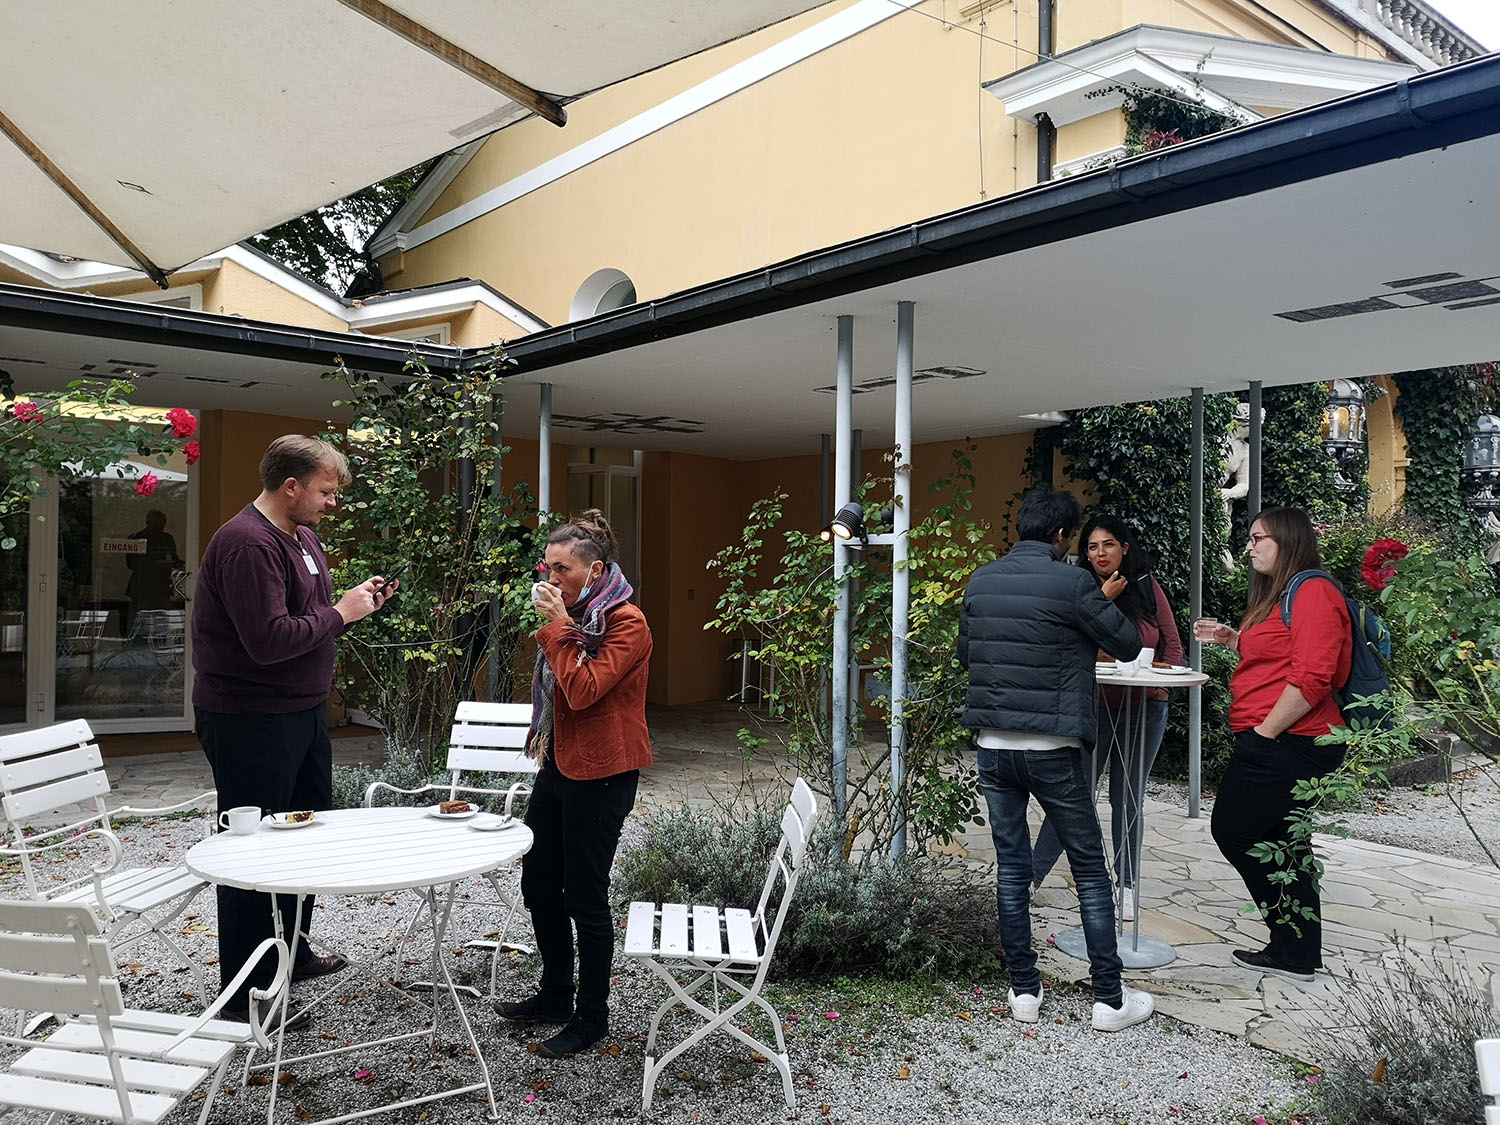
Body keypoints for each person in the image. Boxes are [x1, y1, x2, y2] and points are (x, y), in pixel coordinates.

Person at [192, 435, 397, 1027]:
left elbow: (310, 620)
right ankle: (245, 996)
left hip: (301, 714)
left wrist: (354, 605)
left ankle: (292, 954)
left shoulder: (302, 538)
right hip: (250, 718)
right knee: (253, 853)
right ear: (291, 487)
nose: (333, 502)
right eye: (326, 491)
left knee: (302, 841)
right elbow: (267, 641)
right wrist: (341, 613)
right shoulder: (247, 543)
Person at [959, 487, 1156, 1033]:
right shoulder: (1073, 583)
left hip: (994, 746)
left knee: (1012, 870)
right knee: (1090, 870)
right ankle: (1109, 999)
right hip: (1053, 747)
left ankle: (1024, 990)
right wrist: (1096, 607)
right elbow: (1126, 644)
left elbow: (967, 652)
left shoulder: (982, 579)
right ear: (1063, 535)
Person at [496, 509, 652, 1058]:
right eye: (548, 567)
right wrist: (563, 624)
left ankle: (592, 1018)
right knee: (539, 883)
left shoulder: (626, 622)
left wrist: (559, 626)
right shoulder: (575, 618)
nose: (551, 577)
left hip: (604, 773)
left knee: (585, 895)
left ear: (595, 570)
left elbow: (584, 690)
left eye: (562, 568)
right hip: (560, 764)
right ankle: (555, 995)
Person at [1200, 507, 1351, 982]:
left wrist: (1264, 734)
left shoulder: (1314, 591)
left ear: (1287, 539)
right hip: (1284, 737)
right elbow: (1281, 653)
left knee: (1235, 830)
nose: (1250, 546)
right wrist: (1235, 640)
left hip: (1292, 739)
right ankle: (1295, 952)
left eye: (1257, 537)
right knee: (1284, 841)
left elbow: (1313, 677)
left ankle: (1293, 945)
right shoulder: (1285, 594)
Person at [1032, 515, 1183, 921]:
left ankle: (1127, 885)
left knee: (1127, 799)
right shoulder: (1078, 586)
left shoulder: (1146, 586)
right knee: (1073, 796)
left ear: (1125, 548)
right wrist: (1102, 597)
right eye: (1092, 546)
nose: (1100, 553)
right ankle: (1032, 877)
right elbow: (1067, 639)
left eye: (1109, 544)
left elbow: (1171, 643)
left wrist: (1161, 687)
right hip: (1092, 706)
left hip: (1143, 709)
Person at [125, 508, 183, 617]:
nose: (160, 527)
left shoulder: (167, 539)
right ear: (148, 522)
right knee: (142, 619)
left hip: (162, 586)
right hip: (143, 587)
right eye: (157, 523)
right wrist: (156, 564)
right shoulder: (138, 538)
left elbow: (174, 558)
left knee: (162, 619)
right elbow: (132, 563)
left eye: (162, 524)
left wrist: (184, 564)